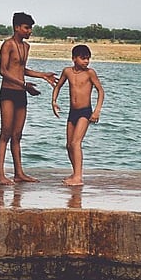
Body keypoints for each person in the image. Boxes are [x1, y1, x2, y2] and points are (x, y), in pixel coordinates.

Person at [0, 12, 57, 184]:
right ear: (17, 27)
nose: (30, 31)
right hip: (8, 92)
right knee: (5, 133)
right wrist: (23, 85)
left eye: (31, 28)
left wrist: (42, 75)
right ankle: (0, 174)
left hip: (22, 93)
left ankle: (19, 173)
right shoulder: (7, 45)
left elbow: (22, 69)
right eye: (27, 28)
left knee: (17, 135)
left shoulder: (26, 47)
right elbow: (3, 71)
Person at [51, 44, 104, 186]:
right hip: (72, 112)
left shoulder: (90, 73)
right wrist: (54, 102)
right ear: (74, 58)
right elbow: (58, 86)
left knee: (76, 143)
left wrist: (97, 110)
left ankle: (78, 177)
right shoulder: (67, 71)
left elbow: (100, 91)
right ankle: (75, 172)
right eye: (83, 58)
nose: (86, 62)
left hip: (85, 112)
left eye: (88, 59)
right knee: (69, 145)